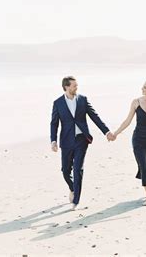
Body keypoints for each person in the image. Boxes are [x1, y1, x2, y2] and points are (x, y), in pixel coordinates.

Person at [50, 76, 115, 210]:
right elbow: (54, 123)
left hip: (81, 139)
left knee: (78, 168)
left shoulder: (83, 100)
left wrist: (106, 132)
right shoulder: (58, 103)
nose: (76, 87)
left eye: (76, 85)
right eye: (74, 86)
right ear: (67, 87)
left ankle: (76, 200)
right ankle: (73, 188)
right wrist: (53, 140)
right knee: (65, 171)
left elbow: (94, 116)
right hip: (66, 141)